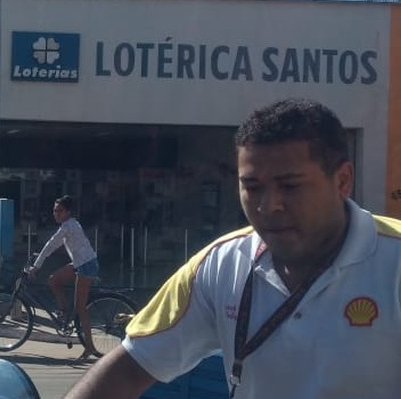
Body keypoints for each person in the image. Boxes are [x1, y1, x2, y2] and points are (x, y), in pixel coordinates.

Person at [62, 98, 401, 399]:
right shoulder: (219, 265)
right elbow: (128, 367)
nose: (269, 206)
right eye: (252, 187)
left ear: (342, 180)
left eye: (290, 186)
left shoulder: (393, 261)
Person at [28, 193, 102, 358]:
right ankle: (63, 313)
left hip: (86, 265)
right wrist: (38, 256)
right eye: (54, 211)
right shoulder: (69, 225)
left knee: (80, 308)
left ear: (68, 212)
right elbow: (51, 246)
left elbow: (51, 245)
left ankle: (90, 346)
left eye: (59, 211)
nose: (56, 214)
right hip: (80, 263)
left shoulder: (69, 226)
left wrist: (36, 266)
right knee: (54, 280)